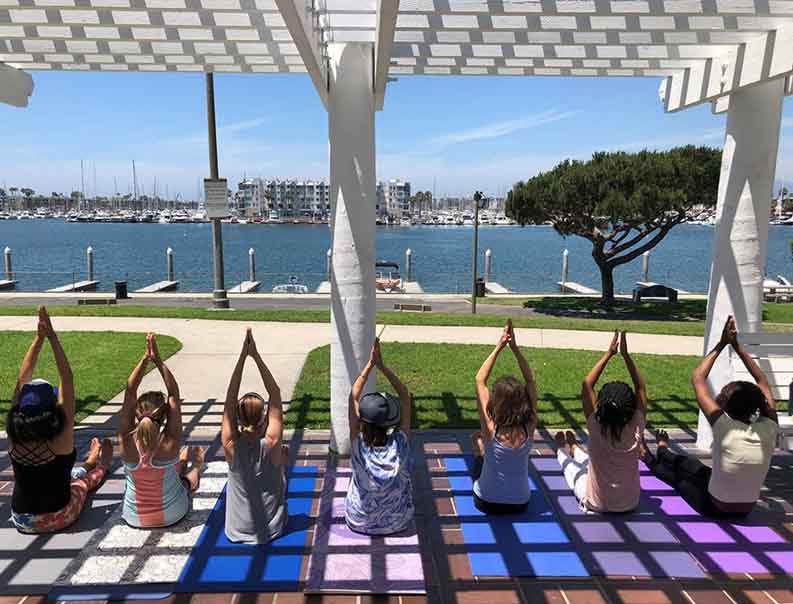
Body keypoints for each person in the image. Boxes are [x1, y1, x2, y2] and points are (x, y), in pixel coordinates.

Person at [642, 316, 778, 518]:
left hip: (713, 506)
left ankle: (647, 456)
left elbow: (698, 378)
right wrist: (737, 347)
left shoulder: (725, 428)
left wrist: (724, 343)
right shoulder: (769, 428)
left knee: (678, 478)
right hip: (746, 510)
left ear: (726, 407)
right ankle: (663, 450)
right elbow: (762, 380)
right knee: (692, 466)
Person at [7, 305, 113, 534]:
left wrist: (38, 339)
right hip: (57, 516)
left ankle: (89, 461)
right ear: (50, 406)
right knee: (80, 484)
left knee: (67, 475)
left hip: (20, 518)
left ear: (22, 409)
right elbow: (67, 377)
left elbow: (21, 382)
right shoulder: (61, 436)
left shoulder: (13, 433)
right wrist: (51, 337)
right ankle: (101, 465)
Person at [555, 331, 647, 513]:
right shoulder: (636, 428)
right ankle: (574, 448)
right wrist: (626, 356)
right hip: (630, 505)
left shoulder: (596, 427)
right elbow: (641, 388)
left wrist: (609, 354)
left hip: (596, 505)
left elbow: (587, 385)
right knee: (591, 463)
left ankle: (561, 450)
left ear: (602, 406)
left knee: (573, 470)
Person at [119, 332, 205, 528]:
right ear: (164, 415)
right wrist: (158, 360)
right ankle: (197, 465)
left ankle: (182, 461)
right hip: (172, 514)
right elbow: (174, 393)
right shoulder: (170, 441)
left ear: (136, 413)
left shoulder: (125, 439)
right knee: (183, 481)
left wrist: (144, 360)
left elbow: (130, 391)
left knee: (170, 470)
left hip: (134, 517)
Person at [222, 328, 288, 543]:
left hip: (236, 530)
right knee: (283, 455)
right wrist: (255, 356)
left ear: (239, 419)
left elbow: (229, 400)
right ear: (263, 418)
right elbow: (275, 394)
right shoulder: (272, 442)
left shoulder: (230, 443)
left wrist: (242, 358)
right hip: (272, 530)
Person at [345, 338, 414, 535]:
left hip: (358, 520)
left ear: (362, 422)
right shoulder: (401, 443)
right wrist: (382, 366)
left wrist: (369, 366)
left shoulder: (357, 442)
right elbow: (405, 397)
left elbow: (353, 397)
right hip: (397, 522)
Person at [471, 319, 538, 514]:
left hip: (485, 502)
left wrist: (499, 346)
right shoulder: (530, 424)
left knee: (479, 448)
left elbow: (479, 379)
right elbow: (530, 380)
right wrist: (515, 348)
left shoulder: (491, 427)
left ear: (497, 402)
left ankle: (480, 451)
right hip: (520, 504)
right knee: (482, 442)